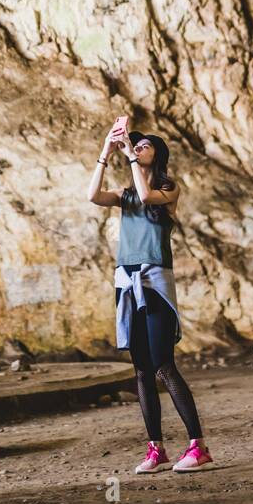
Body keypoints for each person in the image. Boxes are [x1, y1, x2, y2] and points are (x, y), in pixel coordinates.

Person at [87, 118, 214, 473]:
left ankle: (197, 446)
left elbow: (146, 195)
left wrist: (128, 152)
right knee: (141, 369)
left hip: (155, 281)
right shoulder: (125, 195)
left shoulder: (167, 188)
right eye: (136, 144)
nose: (138, 147)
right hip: (125, 281)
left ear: (157, 155)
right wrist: (105, 151)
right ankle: (156, 449)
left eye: (145, 146)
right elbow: (92, 196)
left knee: (163, 365)